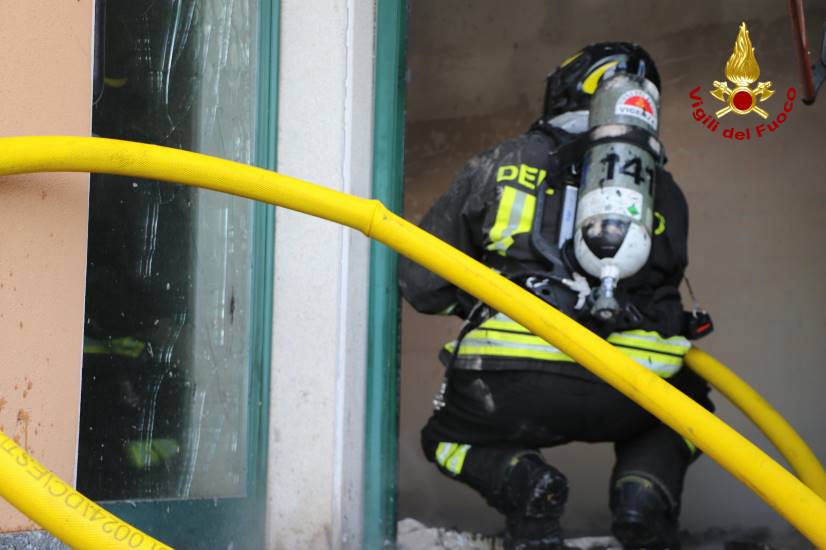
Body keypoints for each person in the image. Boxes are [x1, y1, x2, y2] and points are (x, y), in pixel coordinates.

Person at [399, 42, 714, 550]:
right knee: (691, 412)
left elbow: (420, 284)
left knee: (445, 440)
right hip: (633, 385)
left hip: (508, 378)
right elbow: (663, 292)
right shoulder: (662, 189)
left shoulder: (502, 161)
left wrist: (485, 299)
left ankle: (529, 490)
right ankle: (641, 502)